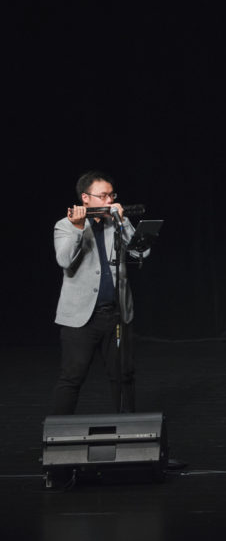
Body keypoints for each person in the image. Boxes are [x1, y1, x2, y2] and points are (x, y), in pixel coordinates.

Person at [51, 170, 148, 415]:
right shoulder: (64, 225)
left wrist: (123, 223)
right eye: (102, 196)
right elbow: (64, 260)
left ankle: (128, 429)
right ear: (85, 198)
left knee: (124, 375)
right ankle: (58, 432)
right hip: (80, 318)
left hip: (116, 314)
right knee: (72, 377)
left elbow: (141, 252)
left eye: (111, 195)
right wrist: (77, 228)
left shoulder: (116, 223)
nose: (109, 200)